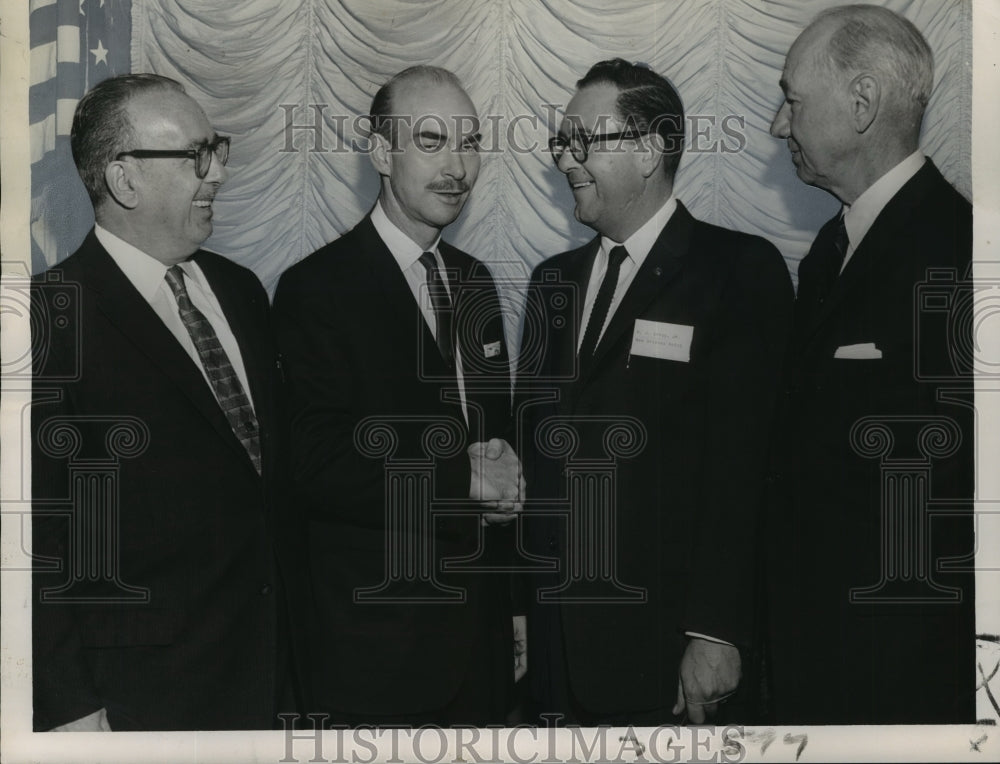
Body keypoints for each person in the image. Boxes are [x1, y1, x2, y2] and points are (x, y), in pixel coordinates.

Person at [518, 58, 793, 725]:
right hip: (554, 653)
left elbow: (748, 471)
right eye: (563, 143)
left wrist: (717, 632)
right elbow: (536, 463)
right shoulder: (551, 283)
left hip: (667, 651)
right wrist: (518, 611)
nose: (566, 161)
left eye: (584, 141)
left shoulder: (737, 271)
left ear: (649, 150)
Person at [31, 74, 294, 730]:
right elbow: (38, 539)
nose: (218, 174)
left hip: (269, 679)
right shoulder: (46, 319)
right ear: (124, 179)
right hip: (139, 700)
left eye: (218, 149)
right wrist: (71, 705)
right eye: (195, 155)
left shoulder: (241, 291)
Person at [272, 65, 524, 726]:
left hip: (482, 649)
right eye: (434, 141)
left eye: (470, 144)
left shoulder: (474, 283)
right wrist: (461, 480)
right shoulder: (316, 288)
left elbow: (493, 440)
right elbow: (316, 462)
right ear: (381, 153)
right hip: (374, 652)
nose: (458, 167)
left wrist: (507, 494)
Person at [766, 4, 975, 724]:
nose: (776, 126)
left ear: (861, 104)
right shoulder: (829, 250)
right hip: (813, 659)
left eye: (792, 101)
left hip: (899, 675)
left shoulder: (961, 252)